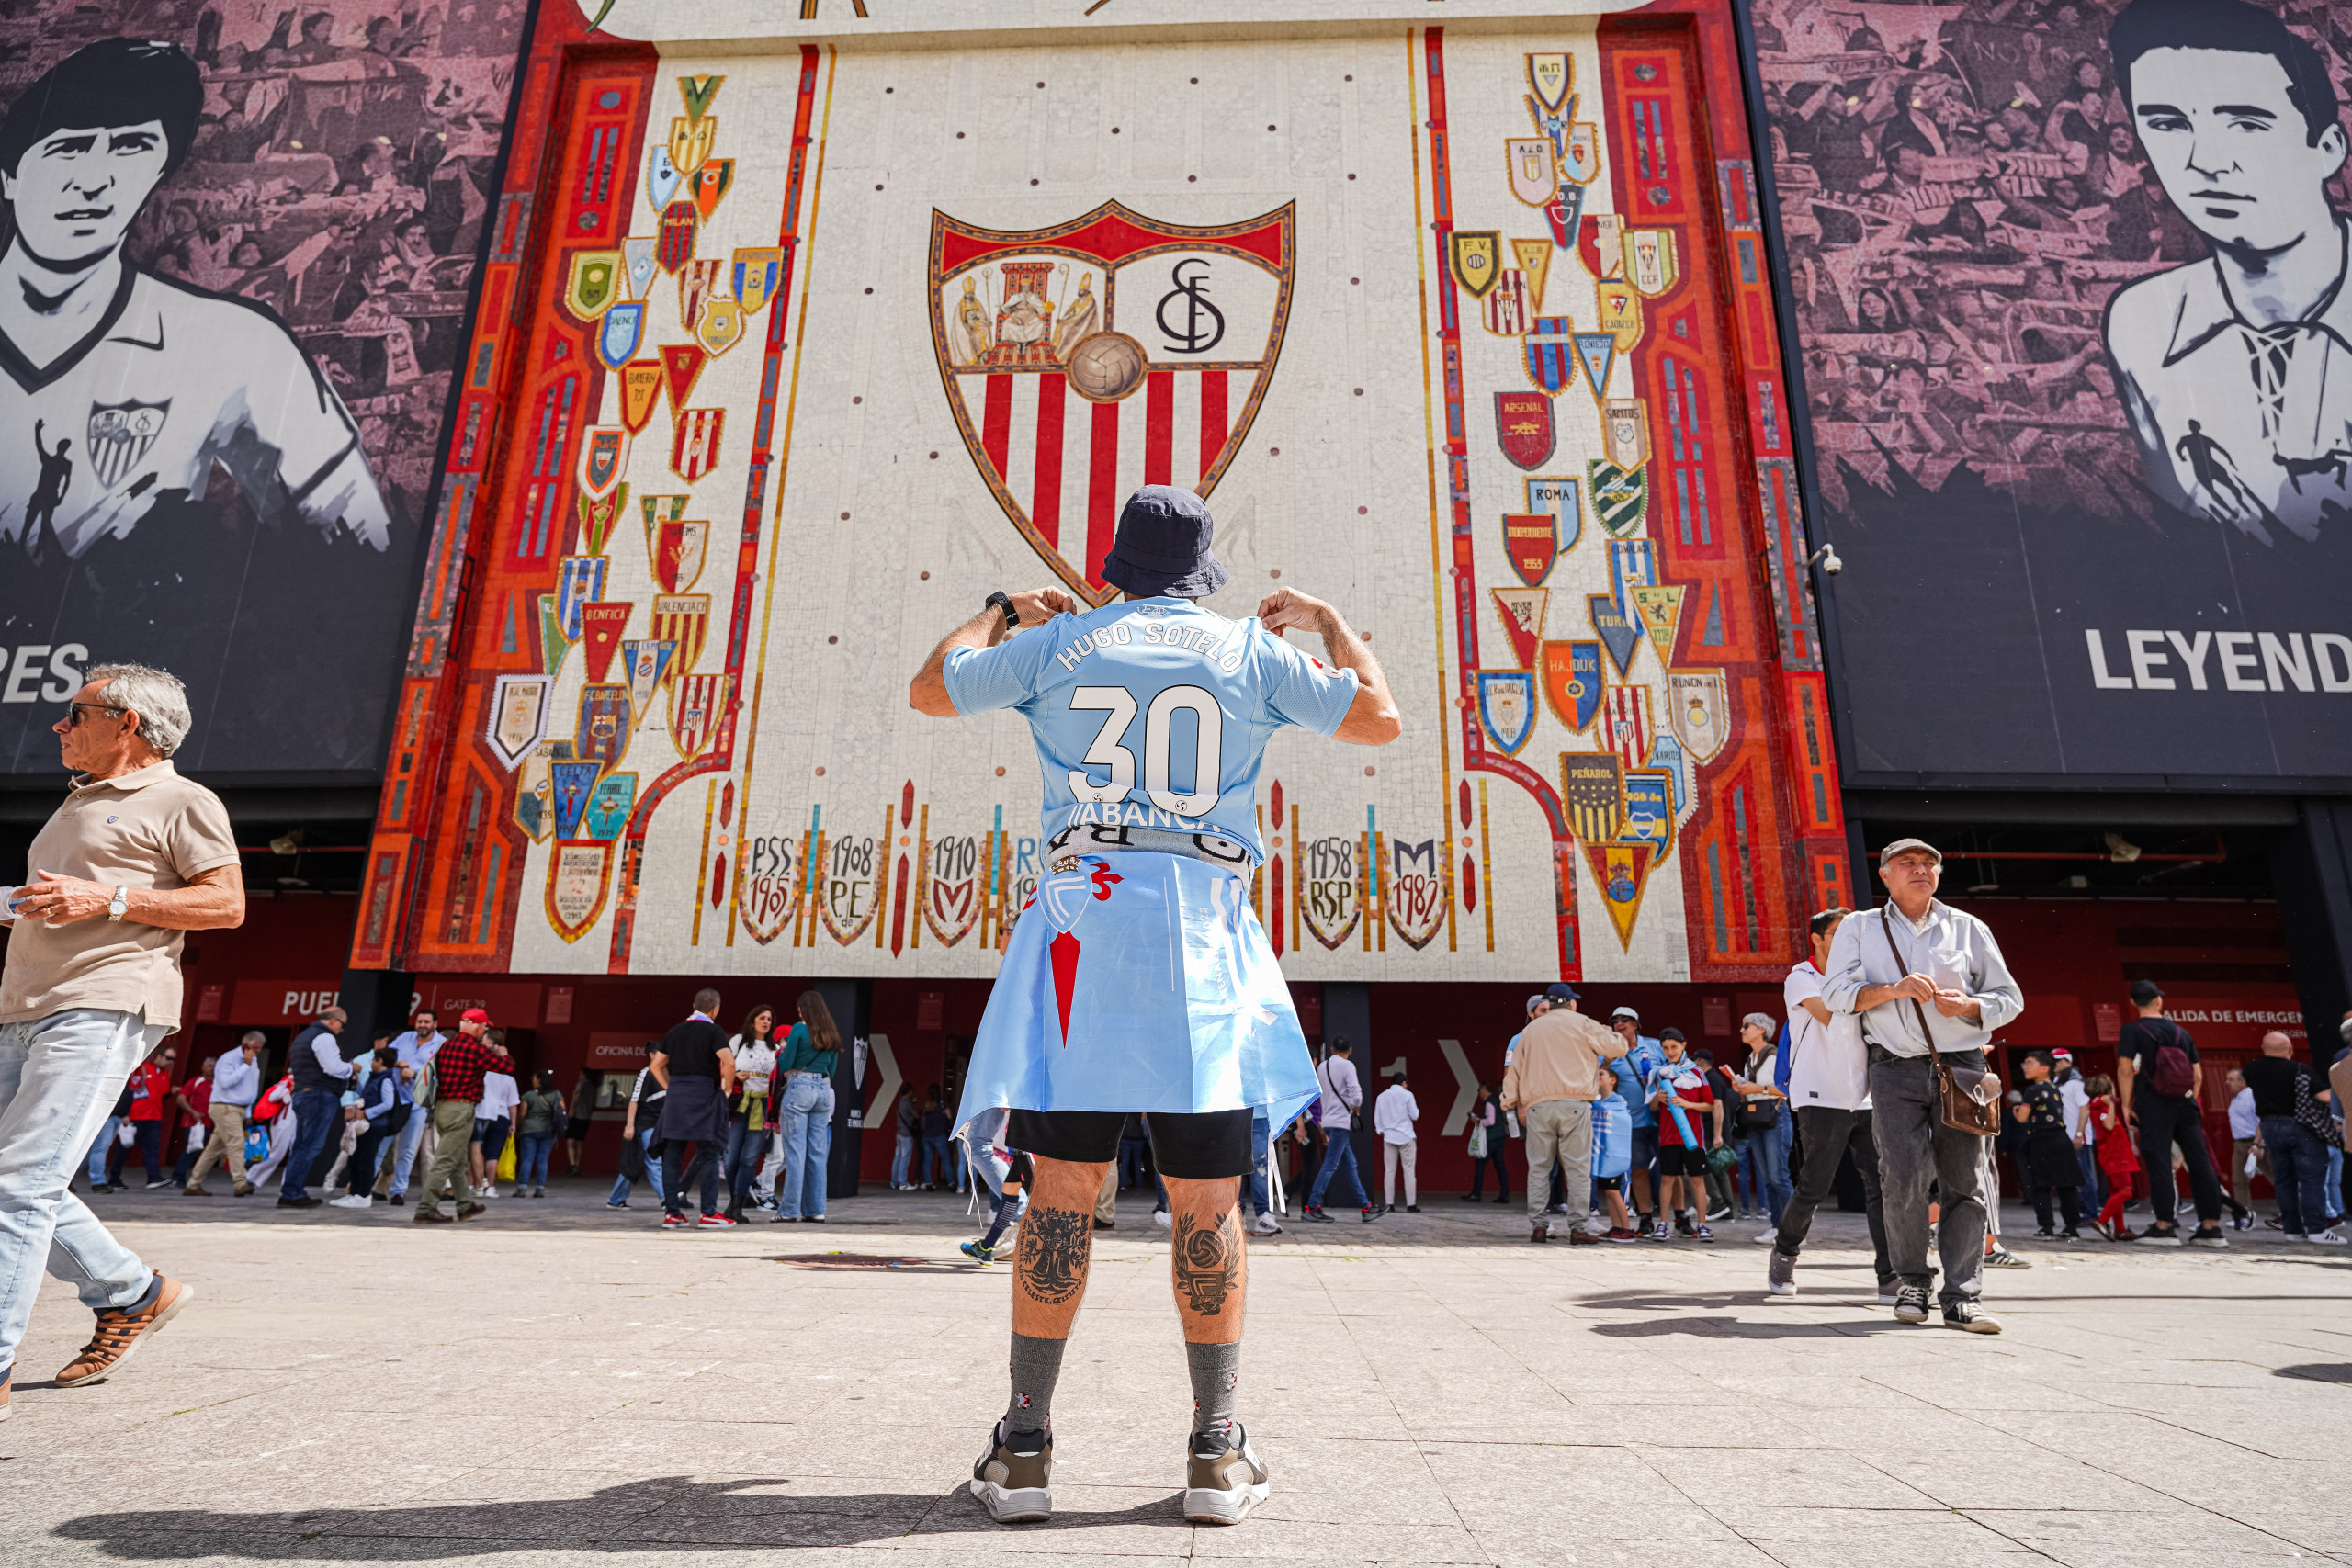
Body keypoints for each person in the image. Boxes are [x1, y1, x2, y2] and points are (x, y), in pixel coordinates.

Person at [908, 482, 1397, 1525]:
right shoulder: (1246, 653)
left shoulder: (1063, 643)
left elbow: (932, 690)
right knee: (1206, 1200)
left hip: (1082, 927)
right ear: (1199, 573)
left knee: (1060, 1191)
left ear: (1115, 568)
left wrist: (1003, 607)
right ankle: (1215, 1453)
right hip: (1200, 930)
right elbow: (1380, 718)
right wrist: (1333, 624)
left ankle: (1026, 1447)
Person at [0, 661, 243, 1406]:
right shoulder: (77, 803)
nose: (59, 725)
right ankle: (132, 1290)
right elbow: (55, 900)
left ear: (127, 723)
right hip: (24, 1007)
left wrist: (105, 897)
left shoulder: (180, 799)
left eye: (75, 712)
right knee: (20, 1181)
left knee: (18, 1184)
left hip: (104, 1002)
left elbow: (226, 902)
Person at [2100, 0, 2352, 542]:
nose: (2205, 160)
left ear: (2327, 149)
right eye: (2168, 124)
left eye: (2245, 123)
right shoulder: (2141, 322)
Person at [1823, 839, 2023, 1334]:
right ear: (1885, 876)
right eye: (1908, 864)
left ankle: (1963, 1296)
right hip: (1893, 1066)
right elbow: (1835, 993)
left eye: (1929, 864)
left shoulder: (1969, 928)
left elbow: (2009, 998)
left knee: (1966, 1181)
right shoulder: (1859, 927)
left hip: (1963, 1066)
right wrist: (1892, 990)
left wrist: (1970, 1006)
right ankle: (1912, 1280)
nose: (1921, 870)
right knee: (1902, 1176)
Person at [1769, 908, 1895, 1302]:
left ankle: (1890, 1274)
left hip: (1869, 1095)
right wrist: (1884, 993)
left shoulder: (1867, 978)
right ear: (1818, 939)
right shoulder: (1801, 977)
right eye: (1838, 933)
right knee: (1814, 1185)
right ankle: (1785, 1253)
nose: (1847, 941)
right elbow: (1828, 1013)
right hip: (1820, 1094)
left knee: (1882, 1186)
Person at [1498, 981, 1623, 1244]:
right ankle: (1578, 1227)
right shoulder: (1583, 1022)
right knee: (1578, 1168)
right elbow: (1618, 1048)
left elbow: (1515, 1070)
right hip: (1575, 1104)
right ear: (1572, 1003)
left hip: (1539, 1106)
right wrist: (1605, 1031)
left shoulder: (1531, 1030)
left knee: (1539, 1169)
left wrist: (1509, 1100)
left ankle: (1539, 1226)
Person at [2115, 979, 2228, 1247]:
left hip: (2153, 1104)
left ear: (2133, 1003)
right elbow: (2197, 1074)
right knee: (2200, 1161)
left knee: (2159, 1161)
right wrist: (2190, 1098)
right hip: (2186, 1103)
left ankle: (2164, 1226)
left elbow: (2124, 1068)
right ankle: (2211, 1228)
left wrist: (2126, 1104)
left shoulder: (2132, 1030)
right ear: (2159, 1001)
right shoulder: (2181, 1033)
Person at [2241, 1030, 2342, 1244]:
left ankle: (2293, 1230)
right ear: (2290, 1049)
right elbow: (2325, 1096)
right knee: (2311, 1181)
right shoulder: (2299, 1069)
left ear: (2263, 1049)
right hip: (2300, 1129)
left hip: (2269, 1128)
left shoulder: (2251, 1069)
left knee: (2284, 1181)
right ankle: (2317, 1230)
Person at [652, 988, 736, 1229]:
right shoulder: (713, 1030)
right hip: (703, 1094)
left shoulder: (674, 1031)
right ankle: (708, 1213)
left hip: (677, 1095)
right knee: (709, 1153)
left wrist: (671, 1087)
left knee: (672, 1155)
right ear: (716, 1009)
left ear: (694, 1005)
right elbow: (728, 1061)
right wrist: (727, 1089)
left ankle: (672, 1214)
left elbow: (656, 1065)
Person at [412, 1010, 496, 1224]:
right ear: (477, 1027)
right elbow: (507, 1067)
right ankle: (426, 1208)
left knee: (458, 1161)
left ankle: (465, 1205)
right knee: (446, 1161)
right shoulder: (477, 1050)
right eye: (484, 1027)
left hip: (441, 1108)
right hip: (461, 1109)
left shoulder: (444, 1046)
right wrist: (499, 1051)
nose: (484, 1030)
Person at [774, 991, 842, 1224]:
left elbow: (786, 1062)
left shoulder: (799, 1030)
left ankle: (789, 1211)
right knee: (817, 1153)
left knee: (795, 1153)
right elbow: (832, 1068)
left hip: (799, 1086)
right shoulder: (831, 1031)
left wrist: (783, 1054)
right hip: (823, 1088)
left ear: (804, 1009)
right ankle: (816, 1210)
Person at [279, 1006, 356, 1209]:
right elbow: (332, 1067)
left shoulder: (303, 1037)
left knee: (301, 1146)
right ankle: (293, 1193)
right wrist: (352, 1068)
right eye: (343, 1025)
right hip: (320, 1096)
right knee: (310, 1146)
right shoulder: (325, 1038)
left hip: (304, 1094)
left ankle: (290, 1191)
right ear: (333, 1021)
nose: (342, 1030)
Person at [1647, 1032, 1717, 1241]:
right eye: (1666, 1048)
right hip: (1668, 1136)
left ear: (1683, 1045)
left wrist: (1687, 1104)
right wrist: (1656, 1097)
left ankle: (1703, 1224)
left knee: (1697, 1180)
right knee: (1667, 1179)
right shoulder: (1659, 1074)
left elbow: (1709, 1105)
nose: (1670, 1052)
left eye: (1674, 1047)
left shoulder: (1697, 1072)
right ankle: (1663, 1224)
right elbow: (1652, 1107)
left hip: (1692, 1137)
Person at [2011, 1053, 2084, 1239]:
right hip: (2061, 1138)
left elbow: (2022, 1118)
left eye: (2030, 1063)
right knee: (2066, 1184)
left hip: (2042, 1139)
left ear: (2044, 1068)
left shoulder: (2033, 1090)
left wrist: (2017, 1110)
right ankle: (2071, 1227)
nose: (2025, 1067)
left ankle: (2046, 1227)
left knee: (2040, 1185)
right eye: (2024, 1063)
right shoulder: (2056, 1088)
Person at [1607, 1005, 1666, 1230]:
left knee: (1672, 1171)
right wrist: (1605, 1062)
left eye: (1624, 1019)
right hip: (1633, 1122)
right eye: (1615, 1020)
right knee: (1638, 1170)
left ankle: (1676, 1216)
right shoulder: (1609, 1053)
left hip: (1663, 1118)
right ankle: (1646, 1216)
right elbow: (1600, 1080)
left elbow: (1677, 1068)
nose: (1619, 1023)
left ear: (1635, 1024)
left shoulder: (1654, 1046)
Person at [1729, 1014, 1792, 1228]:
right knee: (1767, 1178)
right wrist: (1742, 1089)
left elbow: (1787, 1090)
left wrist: (1757, 1088)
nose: (1742, 1030)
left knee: (1779, 1177)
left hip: (1775, 1117)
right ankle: (1777, 1227)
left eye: (1747, 1026)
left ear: (1762, 1029)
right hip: (1756, 1119)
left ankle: (1792, 1227)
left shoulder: (1774, 1056)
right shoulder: (1750, 1059)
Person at [185, 1032, 260, 1196]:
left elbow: (250, 1088)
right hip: (226, 1107)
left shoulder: (253, 1061)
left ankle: (193, 1184)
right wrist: (245, 1066)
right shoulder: (229, 1059)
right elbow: (226, 1083)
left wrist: (248, 1112)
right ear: (245, 1045)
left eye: (259, 1049)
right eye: (254, 1048)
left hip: (237, 1108)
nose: (256, 1052)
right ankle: (240, 1183)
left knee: (213, 1149)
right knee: (236, 1143)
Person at [721, 1004, 777, 1221]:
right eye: (762, 1017)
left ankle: (736, 1205)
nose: (765, 1022)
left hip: (762, 1106)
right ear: (752, 1019)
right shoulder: (739, 1041)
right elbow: (724, 1066)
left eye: (769, 1019)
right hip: (739, 1103)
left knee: (749, 1158)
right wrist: (735, 1074)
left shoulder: (774, 1048)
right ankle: (735, 1201)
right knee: (730, 1159)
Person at [1302, 1039, 1368, 1222]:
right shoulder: (1348, 1066)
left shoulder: (1322, 1067)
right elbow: (1356, 1095)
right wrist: (1356, 1111)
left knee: (1350, 1164)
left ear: (1331, 1049)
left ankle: (1366, 1206)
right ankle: (1312, 1206)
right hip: (1341, 1122)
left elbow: (1320, 1094)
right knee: (1330, 1164)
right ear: (1350, 1050)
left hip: (1328, 1120)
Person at [384, 1010, 446, 1204]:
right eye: (419, 1021)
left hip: (418, 1103)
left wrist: (416, 1074)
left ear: (435, 1024)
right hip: (394, 1099)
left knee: (408, 1148)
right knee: (382, 1145)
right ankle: (361, 1191)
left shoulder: (442, 1044)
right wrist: (396, 1063)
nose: (422, 1025)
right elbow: (385, 1057)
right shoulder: (404, 1038)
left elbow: (442, 1076)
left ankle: (398, 1191)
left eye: (427, 1022)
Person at [330, 1048, 401, 1210]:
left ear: (380, 1061)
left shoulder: (386, 1080)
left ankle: (363, 1195)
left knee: (366, 1161)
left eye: (373, 1060)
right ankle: (354, 1193)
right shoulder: (375, 1078)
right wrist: (358, 1085)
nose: (371, 1063)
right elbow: (370, 1095)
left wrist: (367, 1113)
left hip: (375, 1126)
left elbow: (388, 1104)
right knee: (356, 1159)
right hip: (369, 1125)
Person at [960, 1105, 1030, 1266]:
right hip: (1022, 1136)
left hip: (1024, 1132)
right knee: (1011, 1194)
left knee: (1017, 1199)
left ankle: (991, 1247)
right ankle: (987, 1247)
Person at [608, 1055, 667, 1210]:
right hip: (644, 1126)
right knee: (654, 1160)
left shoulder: (668, 1074)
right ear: (653, 1055)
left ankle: (615, 1199)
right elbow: (634, 1100)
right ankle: (666, 1198)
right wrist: (630, 1125)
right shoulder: (646, 1073)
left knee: (632, 1162)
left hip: (656, 1126)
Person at [2088, 1075, 2143, 1240]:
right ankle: (2102, 1220)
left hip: (2111, 1155)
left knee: (2116, 1192)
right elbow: (2109, 1125)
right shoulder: (2103, 1108)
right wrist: (2111, 1105)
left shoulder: (2097, 1106)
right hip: (2116, 1156)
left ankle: (2120, 1229)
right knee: (2126, 1191)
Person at [1590, 1066, 1638, 1240]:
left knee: (1614, 1191)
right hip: (1602, 1154)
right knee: (1608, 1192)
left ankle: (1626, 1228)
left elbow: (1622, 1124)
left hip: (1615, 1155)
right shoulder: (1594, 1100)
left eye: (1601, 1074)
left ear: (1613, 1080)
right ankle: (1615, 1226)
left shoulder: (1618, 1100)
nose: (1598, 1077)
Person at [2056, 1049, 2102, 1216]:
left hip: (2077, 1138)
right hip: (2064, 1138)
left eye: (2059, 1060)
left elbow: (2085, 1109)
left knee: (2084, 1176)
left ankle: (2090, 1212)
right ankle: (2080, 1210)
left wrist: (2079, 1135)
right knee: (2072, 1177)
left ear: (2068, 1062)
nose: (2055, 1063)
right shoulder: (2058, 1083)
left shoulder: (2077, 1083)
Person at [122, 1044, 175, 1190]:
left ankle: (153, 1177)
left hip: (154, 1117)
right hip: (136, 1115)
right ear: (159, 1056)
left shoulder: (164, 1074)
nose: (170, 1061)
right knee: (124, 1148)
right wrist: (125, 1113)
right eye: (168, 1058)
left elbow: (161, 1094)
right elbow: (131, 1091)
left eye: (172, 1059)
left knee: (152, 1149)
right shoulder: (143, 1068)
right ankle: (114, 1178)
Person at [470, 1040, 518, 1200]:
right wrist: (513, 1123)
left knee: (476, 1149)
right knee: (493, 1154)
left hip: (481, 1112)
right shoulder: (509, 1079)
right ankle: (490, 1187)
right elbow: (513, 1104)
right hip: (501, 1115)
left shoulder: (484, 1071)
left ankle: (474, 1184)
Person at [2224, 1066, 2266, 1230]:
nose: (2227, 1083)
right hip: (2239, 1144)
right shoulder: (2236, 1099)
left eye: (2231, 1080)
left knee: (2276, 1177)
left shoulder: (2251, 1096)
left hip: (2254, 1143)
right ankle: (2244, 1214)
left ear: (2243, 1082)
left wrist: (2259, 1143)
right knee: (2238, 1181)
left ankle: (2291, 1213)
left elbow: (2262, 1119)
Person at [1373, 1070, 1419, 1215]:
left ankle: (1389, 1203)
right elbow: (1415, 1115)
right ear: (1404, 1083)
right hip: (1406, 1136)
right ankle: (1411, 1204)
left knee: (1390, 1171)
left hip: (1389, 1137)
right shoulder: (1408, 1095)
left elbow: (1377, 1118)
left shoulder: (1382, 1096)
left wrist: (1381, 1131)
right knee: (1409, 1171)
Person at [514, 1068, 566, 1200]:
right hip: (547, 1130)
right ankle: (540, 1189)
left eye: (534, 1078)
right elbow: (562, 1110)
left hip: (529, 1130)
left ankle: (522, 1188)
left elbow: (522, 1114)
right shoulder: (556, 1094)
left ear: (539, 1081)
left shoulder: (528, 1095)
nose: (532, 1081)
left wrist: (519, 1128)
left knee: (527, 1159)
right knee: (542, 1160)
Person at [169, 1055, 212, 1189]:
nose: (212, 1069)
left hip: (208, 1123)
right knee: (191, 1149)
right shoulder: (195, 1081)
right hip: (192, 1123)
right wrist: (192, 1112)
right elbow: (181, 1099)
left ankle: (187, 1177)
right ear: (203, 1067)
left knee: (198, 1151)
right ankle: (178, 1177)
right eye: (210, 1065)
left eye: (214, 1066)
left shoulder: (218, 1084)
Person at [1463, 1082, 1510, 1203]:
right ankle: (1504, 1195)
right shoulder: (1495, 1101)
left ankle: (1476, 1194)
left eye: (1480, 1090)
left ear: (1484, 1090)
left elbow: (1490, 1121)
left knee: (1480, 1165)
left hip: (1491, 1139)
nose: (1479, 1093)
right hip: (1499, 1138)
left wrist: (1477, 1120)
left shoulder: (1489, 1102)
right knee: (1500, 1167)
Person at [920, 1089, 955, 1190]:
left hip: (927, 1136)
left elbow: (922, 1120)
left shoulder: (926, 1105)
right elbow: (949, 1117)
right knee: (946, 1160)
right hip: (939, 1135)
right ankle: (951, 1183)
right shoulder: (942, 1105)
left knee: (927, 1161)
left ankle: (929, 1184)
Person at [564, 1072, 596, 1179]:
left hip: (577, 1116)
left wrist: (572, 1110)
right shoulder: (593, 1087)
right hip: (586, 1117)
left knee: (570, 1141)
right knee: (579, 1142)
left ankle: (573, 1165)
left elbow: (577, 1095)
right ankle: (577, 1165)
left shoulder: (581, 1084)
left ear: (584, 1075)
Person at [892, 1086, 921, 1190]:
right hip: (906, 1134)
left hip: (899, 1133)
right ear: (909, 1092)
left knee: (897, 1157)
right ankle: (903, 1183)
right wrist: (914, 1104)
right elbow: (916, 1115)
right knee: (905, 1158)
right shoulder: (908, 1103)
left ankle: (894, 1182)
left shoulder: (899, 1102)